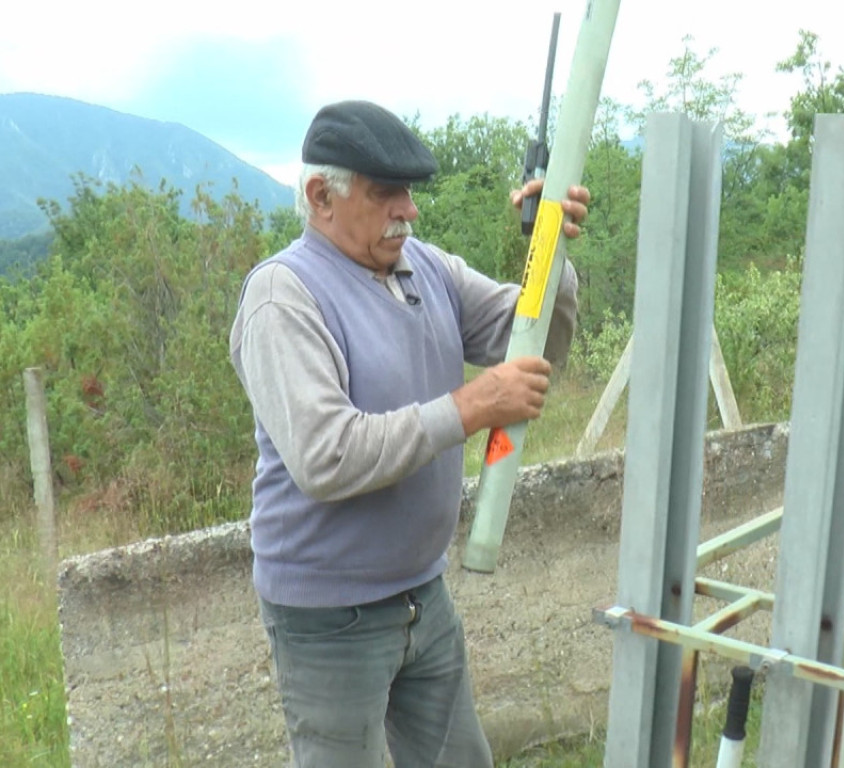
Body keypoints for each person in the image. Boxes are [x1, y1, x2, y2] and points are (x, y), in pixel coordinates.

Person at [228, 99, 588, 768]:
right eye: (385, 191)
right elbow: (326, 457)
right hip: (329, 619)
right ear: (319, 196)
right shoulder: (285, 296)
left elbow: (532, 341)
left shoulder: (427, 268)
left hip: (424, 595)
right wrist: (471, 405)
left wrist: (552, 251)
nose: (409, 209)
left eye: (409, 191)